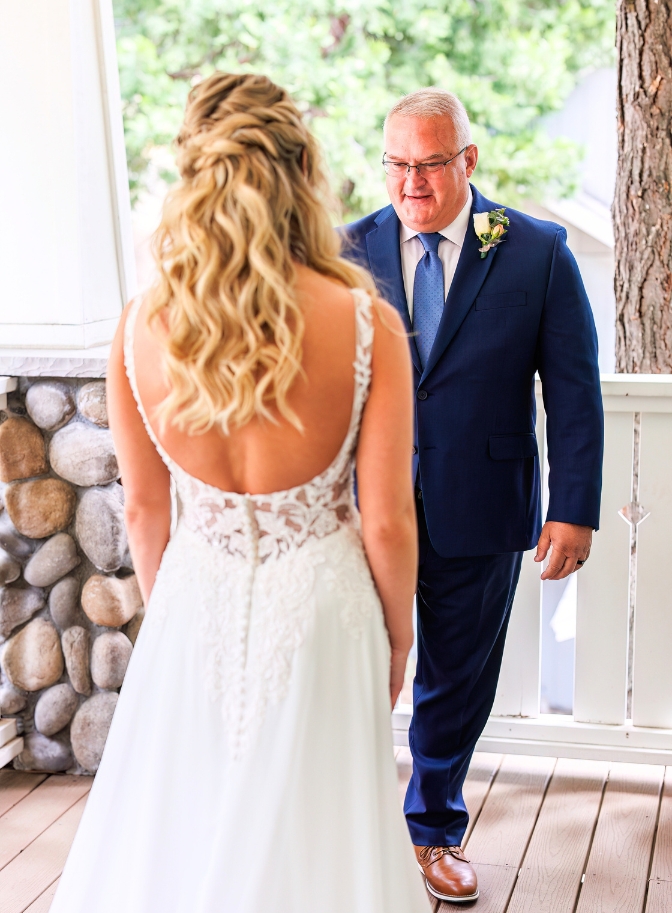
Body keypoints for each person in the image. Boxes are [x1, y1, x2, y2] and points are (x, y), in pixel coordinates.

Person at [50, 73, 431, 913]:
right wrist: (399, 638)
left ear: (194, 174)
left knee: (182, 831)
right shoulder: (366, 324)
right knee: (322, 833)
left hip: (192, 601)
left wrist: (184, 607)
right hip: (325, 612)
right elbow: (388, 520)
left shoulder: (138, 326)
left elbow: (145, 512)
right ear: (303, 173)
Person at [343, 87, 603, 904]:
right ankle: (345, 828)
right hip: (361, 512)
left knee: (456, 679)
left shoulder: (536, 251)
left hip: (483, 504)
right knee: (351, 671)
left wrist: (574, 506)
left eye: (428, 163)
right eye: (396, 164)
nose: (411, 182)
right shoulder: (345, 250)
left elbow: (574, 389)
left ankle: (431, 831)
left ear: (467, 161)